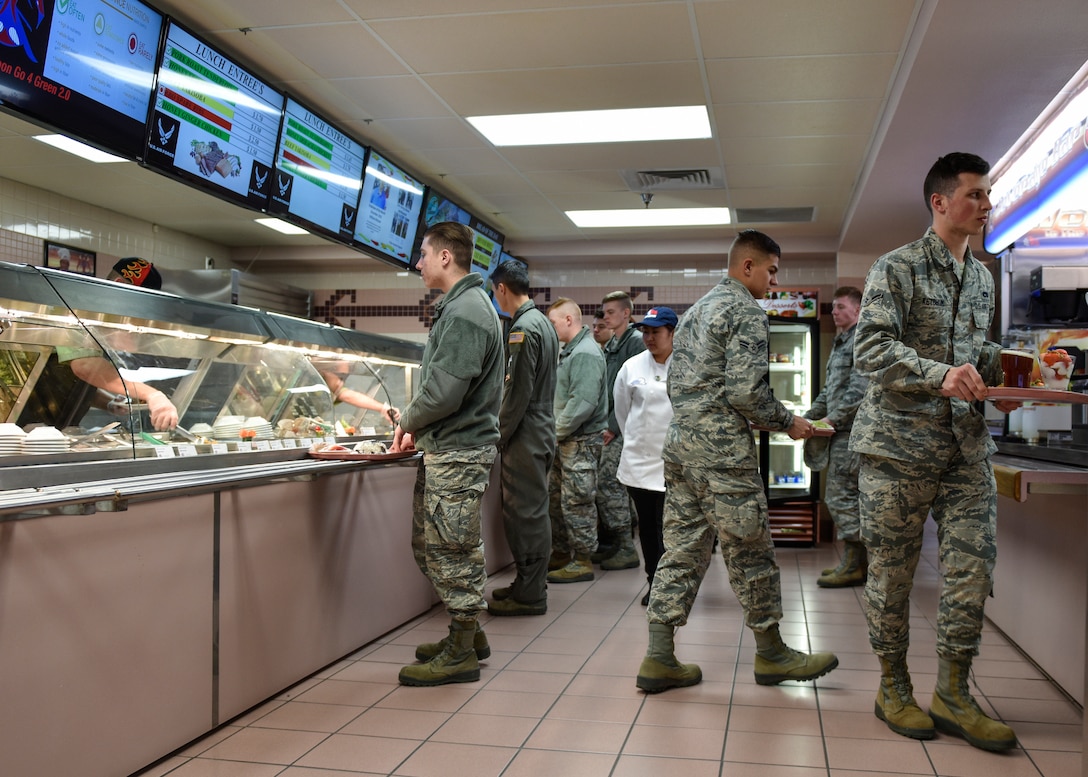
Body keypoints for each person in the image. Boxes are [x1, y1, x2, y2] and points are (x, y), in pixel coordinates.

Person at [851, 152, 1019, 750]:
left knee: (973, 569)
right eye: (974, 194)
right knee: (893, 576)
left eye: (987, 195)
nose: (985, 205)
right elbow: (869, 349)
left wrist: (1012, 378)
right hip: (898, 451)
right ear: (940, 202)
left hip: (964, 449)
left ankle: (953, 692)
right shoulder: (895, 268)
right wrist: (941, 375)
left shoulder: (982, 277)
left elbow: (979, 354)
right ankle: (892, 686)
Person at [636, 229, 838, 693]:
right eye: (770, 271)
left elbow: (678, 384)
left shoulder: (696, 311)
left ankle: (659, 656)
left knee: (682, 548)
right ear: (747, 266)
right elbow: (747, 391)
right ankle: (771, 654)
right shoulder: (746, 310)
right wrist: (789, 422)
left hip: (682, 444)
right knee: (750, 547)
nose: (772, 282)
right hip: (723, 451)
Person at [391, 221, 504, 687]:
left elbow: (443, 393)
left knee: (451, 548)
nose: (417, 263)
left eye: (422, 254)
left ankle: (460, 650)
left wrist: (407, 421)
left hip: (458, 451)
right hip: (450, 446)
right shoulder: (465, 306)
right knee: (434, 544)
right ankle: (468, 635)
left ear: (444, 257)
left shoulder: (465, 313)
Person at [486, 260, 559, 616]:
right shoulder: (543, 322)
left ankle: (530, 594)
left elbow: (517, 394)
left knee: (525, 514)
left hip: (525, 432)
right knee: (533, 510)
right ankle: (529, 583)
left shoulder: (522, 329)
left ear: (501, 289)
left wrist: (497, 435)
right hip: (541, 427)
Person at [803, 285, 868, 587]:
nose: (834, 311)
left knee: (841, 498)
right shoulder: (841, 343)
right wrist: (808, 418)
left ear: (857, 310)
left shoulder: (862, 342)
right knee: (841, 497)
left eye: (841, 306)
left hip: (853, 435)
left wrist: (830, 420)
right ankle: (853, 561)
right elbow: (830, 391)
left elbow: (859, 392)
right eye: (834, 307)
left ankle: (856, 564)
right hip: (839, 434)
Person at [613, 306, 677, 607]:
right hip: (639, 462)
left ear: (672, 333)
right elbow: (622, 411)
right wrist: (636, 441)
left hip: (674, 464)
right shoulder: (632, 367)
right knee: (648, 528)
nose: (649, 337)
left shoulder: (686, 366)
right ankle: (654, 582)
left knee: (672, 529)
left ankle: (672, 585)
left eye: (656, 332)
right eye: (646, 331)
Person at [545, 298, 608, 583]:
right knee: (558, 501)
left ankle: (582, 559)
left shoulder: (584, 353)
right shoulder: (570, 352)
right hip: (566, 441)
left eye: (553, 322)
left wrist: (553, 433)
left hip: (579, 442)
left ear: (569, 320)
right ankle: (561, 553)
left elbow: (581, 403)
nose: (551, 327)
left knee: (578, 502)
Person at [595, 290, 645, 570]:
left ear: (626, 313)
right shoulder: (614, 342)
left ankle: (626, 546)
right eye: (604, 312)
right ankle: (616, 543)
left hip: (625, 428)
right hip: (612, 424)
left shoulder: (635, 343)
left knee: (609, 483)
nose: (606, 317)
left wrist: (613, 426)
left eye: (611, 312)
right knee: (611, 485)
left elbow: (635, 391)